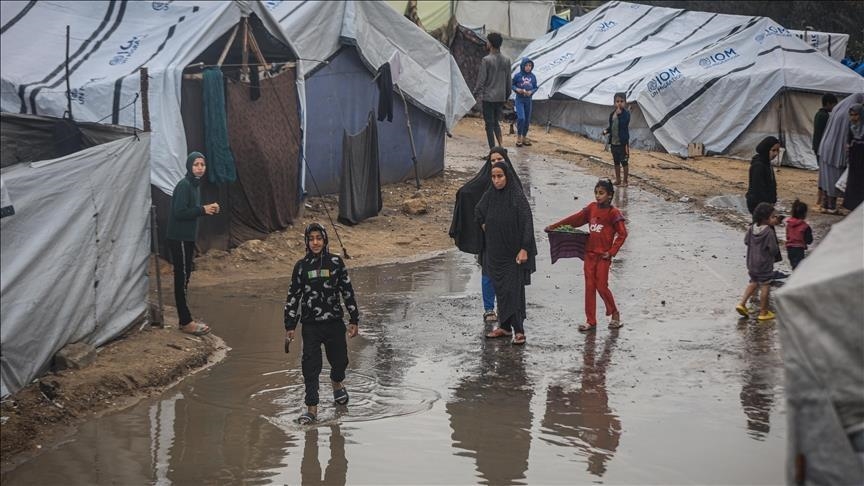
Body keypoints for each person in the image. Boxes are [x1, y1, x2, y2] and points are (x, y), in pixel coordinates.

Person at [284, 223, 360, 425]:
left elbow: (347, 291)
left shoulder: (336, 262)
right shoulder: (301, 267)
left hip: (334, 323)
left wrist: (354, 319)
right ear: (307, 242)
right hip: (310, 326)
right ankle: (312, 409)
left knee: (340, 361)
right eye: (311, 239)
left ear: (325, 240)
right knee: (310, 366)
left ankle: (336, 382)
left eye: (319, 238)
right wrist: (290, 325)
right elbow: (293, 296)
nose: (315, 242)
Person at [449, 147, 524, 323]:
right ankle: (489, 309)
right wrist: (483, 225)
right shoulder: (486, 182)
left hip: (509, 239)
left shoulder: (514, 184)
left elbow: (523, 213)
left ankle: (505, 309)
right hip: (490, 240)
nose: (496, 163)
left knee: (508, 275)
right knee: (488, 272)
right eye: (492, 161)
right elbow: (467, 195)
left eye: (499, 159)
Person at [546, 179, 628, 332]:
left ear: (610, 195)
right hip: (589, 255)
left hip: (603, 257)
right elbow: (575, 219)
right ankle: (591, 320)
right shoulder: (591, 209)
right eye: (596, 193)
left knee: (602, 286)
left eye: (601, 193)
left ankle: (614, 313)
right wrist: (554, 226)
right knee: (589, 287)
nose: (598, 196)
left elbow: (623, 234)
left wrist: (611, 252)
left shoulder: (613, 213)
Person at [474, 161, 537, 345]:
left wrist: (525, 248)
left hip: (513, 254)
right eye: (493, 177)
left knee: (513, 291)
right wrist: (485, 224)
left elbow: (527, 221)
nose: (496, 180)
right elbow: (478, 210)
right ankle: (504, 327)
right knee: (501, 290)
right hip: (495, 252)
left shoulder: (516, 195)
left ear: (507, 176)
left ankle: (519, 330)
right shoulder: (491, 195)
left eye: (500, 176)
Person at [166, 151, 220, 336]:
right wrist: (202, 209)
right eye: (196, 164)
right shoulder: (184, 185)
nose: (199, 167)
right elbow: (179, 212)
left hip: (187, 238)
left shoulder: (195, 186)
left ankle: (185, 317)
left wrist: (204, 210)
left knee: (186, 276)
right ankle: (185, 321)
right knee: (181, 277)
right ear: (189, 166)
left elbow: (192, 211)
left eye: (202, 165)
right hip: (179, 237)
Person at [818, 93, 864, 214]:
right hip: (836, 150)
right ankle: (831, 206)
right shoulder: (848, 114)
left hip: (826, 147)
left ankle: (826, 205)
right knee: (834, 178)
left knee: (827, 178)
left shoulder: (840, 108)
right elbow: (847, 137)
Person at [736, 202, 780, 321]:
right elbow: (773, 249)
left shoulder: (751, 228)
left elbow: (746, 241)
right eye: (773, 216)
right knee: (765, 286)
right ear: (765, 219)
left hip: (751, 263)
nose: (775, 218)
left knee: (753, 282)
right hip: (764, 265)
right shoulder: (769, 232)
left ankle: (742, 303)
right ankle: (763, 312)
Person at [474, 32, 512, 149]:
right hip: (500, 97)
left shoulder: (486, 60)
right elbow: (508, 82)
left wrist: (475, 94)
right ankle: (501, 147)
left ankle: (492, 151)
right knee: (496, 123)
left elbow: (481, 81)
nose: (486, 43)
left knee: (489, 125)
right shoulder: (506, 60)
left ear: (490, 44)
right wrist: (506, 96)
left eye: (487, 41)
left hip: (489, 97)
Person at [813, 93, 838, 208]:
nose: (834, 107)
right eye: (833, 105)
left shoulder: (818, 114)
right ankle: (823, 199)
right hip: (822, 148)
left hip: (817, 146)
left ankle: (820, 199)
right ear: (828, 103)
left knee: (822, 174)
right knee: (825, 174)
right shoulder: (825, 116)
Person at [601, 93, 631, 187]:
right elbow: (612, 126)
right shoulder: (612, 114)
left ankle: (625, 181)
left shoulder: (626, 114)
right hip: (614, 143)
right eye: (617, 101)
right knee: (616, 162)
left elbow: (623, 124)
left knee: (624, 162)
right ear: (614, 103)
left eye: (621, 101)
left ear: (625, 103)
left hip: (623, 143)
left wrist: (619, 115)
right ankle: (618, 179)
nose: (619, 103)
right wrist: (606, 131)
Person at [745, 136, 780, 214]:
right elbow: (758, 189)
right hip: (758, 205)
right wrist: (766, 205)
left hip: (765, 204)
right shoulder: (758, 166)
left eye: (777, 150)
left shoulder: (767, 163)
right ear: (766, 149)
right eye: (773, 150)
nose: (776, 153)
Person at [842, 103, 864, 211]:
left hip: (862, 159)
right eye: (851, 115)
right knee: (853, 182)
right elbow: (848, 141)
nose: (853, 117)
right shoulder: (851, 126)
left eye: (856, 115)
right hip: (854, 158)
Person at [512, 57, 538, 147]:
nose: (528, 67)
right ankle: (518, 137)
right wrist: (517, 89)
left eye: (530, 65)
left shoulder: (533, 77)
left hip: (528, 100)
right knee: (521, 118)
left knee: (527, 120)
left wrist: (531, 92)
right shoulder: (517, 76)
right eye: (526, 65)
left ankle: (524, 137)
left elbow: (535, 87)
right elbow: (512, 85)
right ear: (522, 66)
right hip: (519, 99)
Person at [785, 199, 813, 270]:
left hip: (789, 248)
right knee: (799, 267)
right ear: (804, 214)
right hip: (799, 249)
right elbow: (809, 240)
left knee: (794, 265)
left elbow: (787, 236)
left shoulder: (789, 224)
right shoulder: (805, 226)